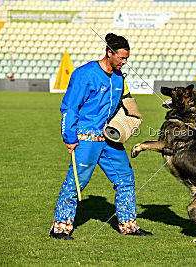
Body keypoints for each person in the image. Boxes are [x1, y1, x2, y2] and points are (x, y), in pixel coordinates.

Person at [49, 33, 152, 240]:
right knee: (76, 183)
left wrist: (133, 117)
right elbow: (69, 107)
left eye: (126, 59)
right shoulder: (84, 74)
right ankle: (60, 228)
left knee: (125, 178)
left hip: (109, 139)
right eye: (121, 58)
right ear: (109, 53)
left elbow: (127, 101)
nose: (124, 63)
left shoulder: (118, 78)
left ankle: (128, 225)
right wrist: (69, 137)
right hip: (85, 139)